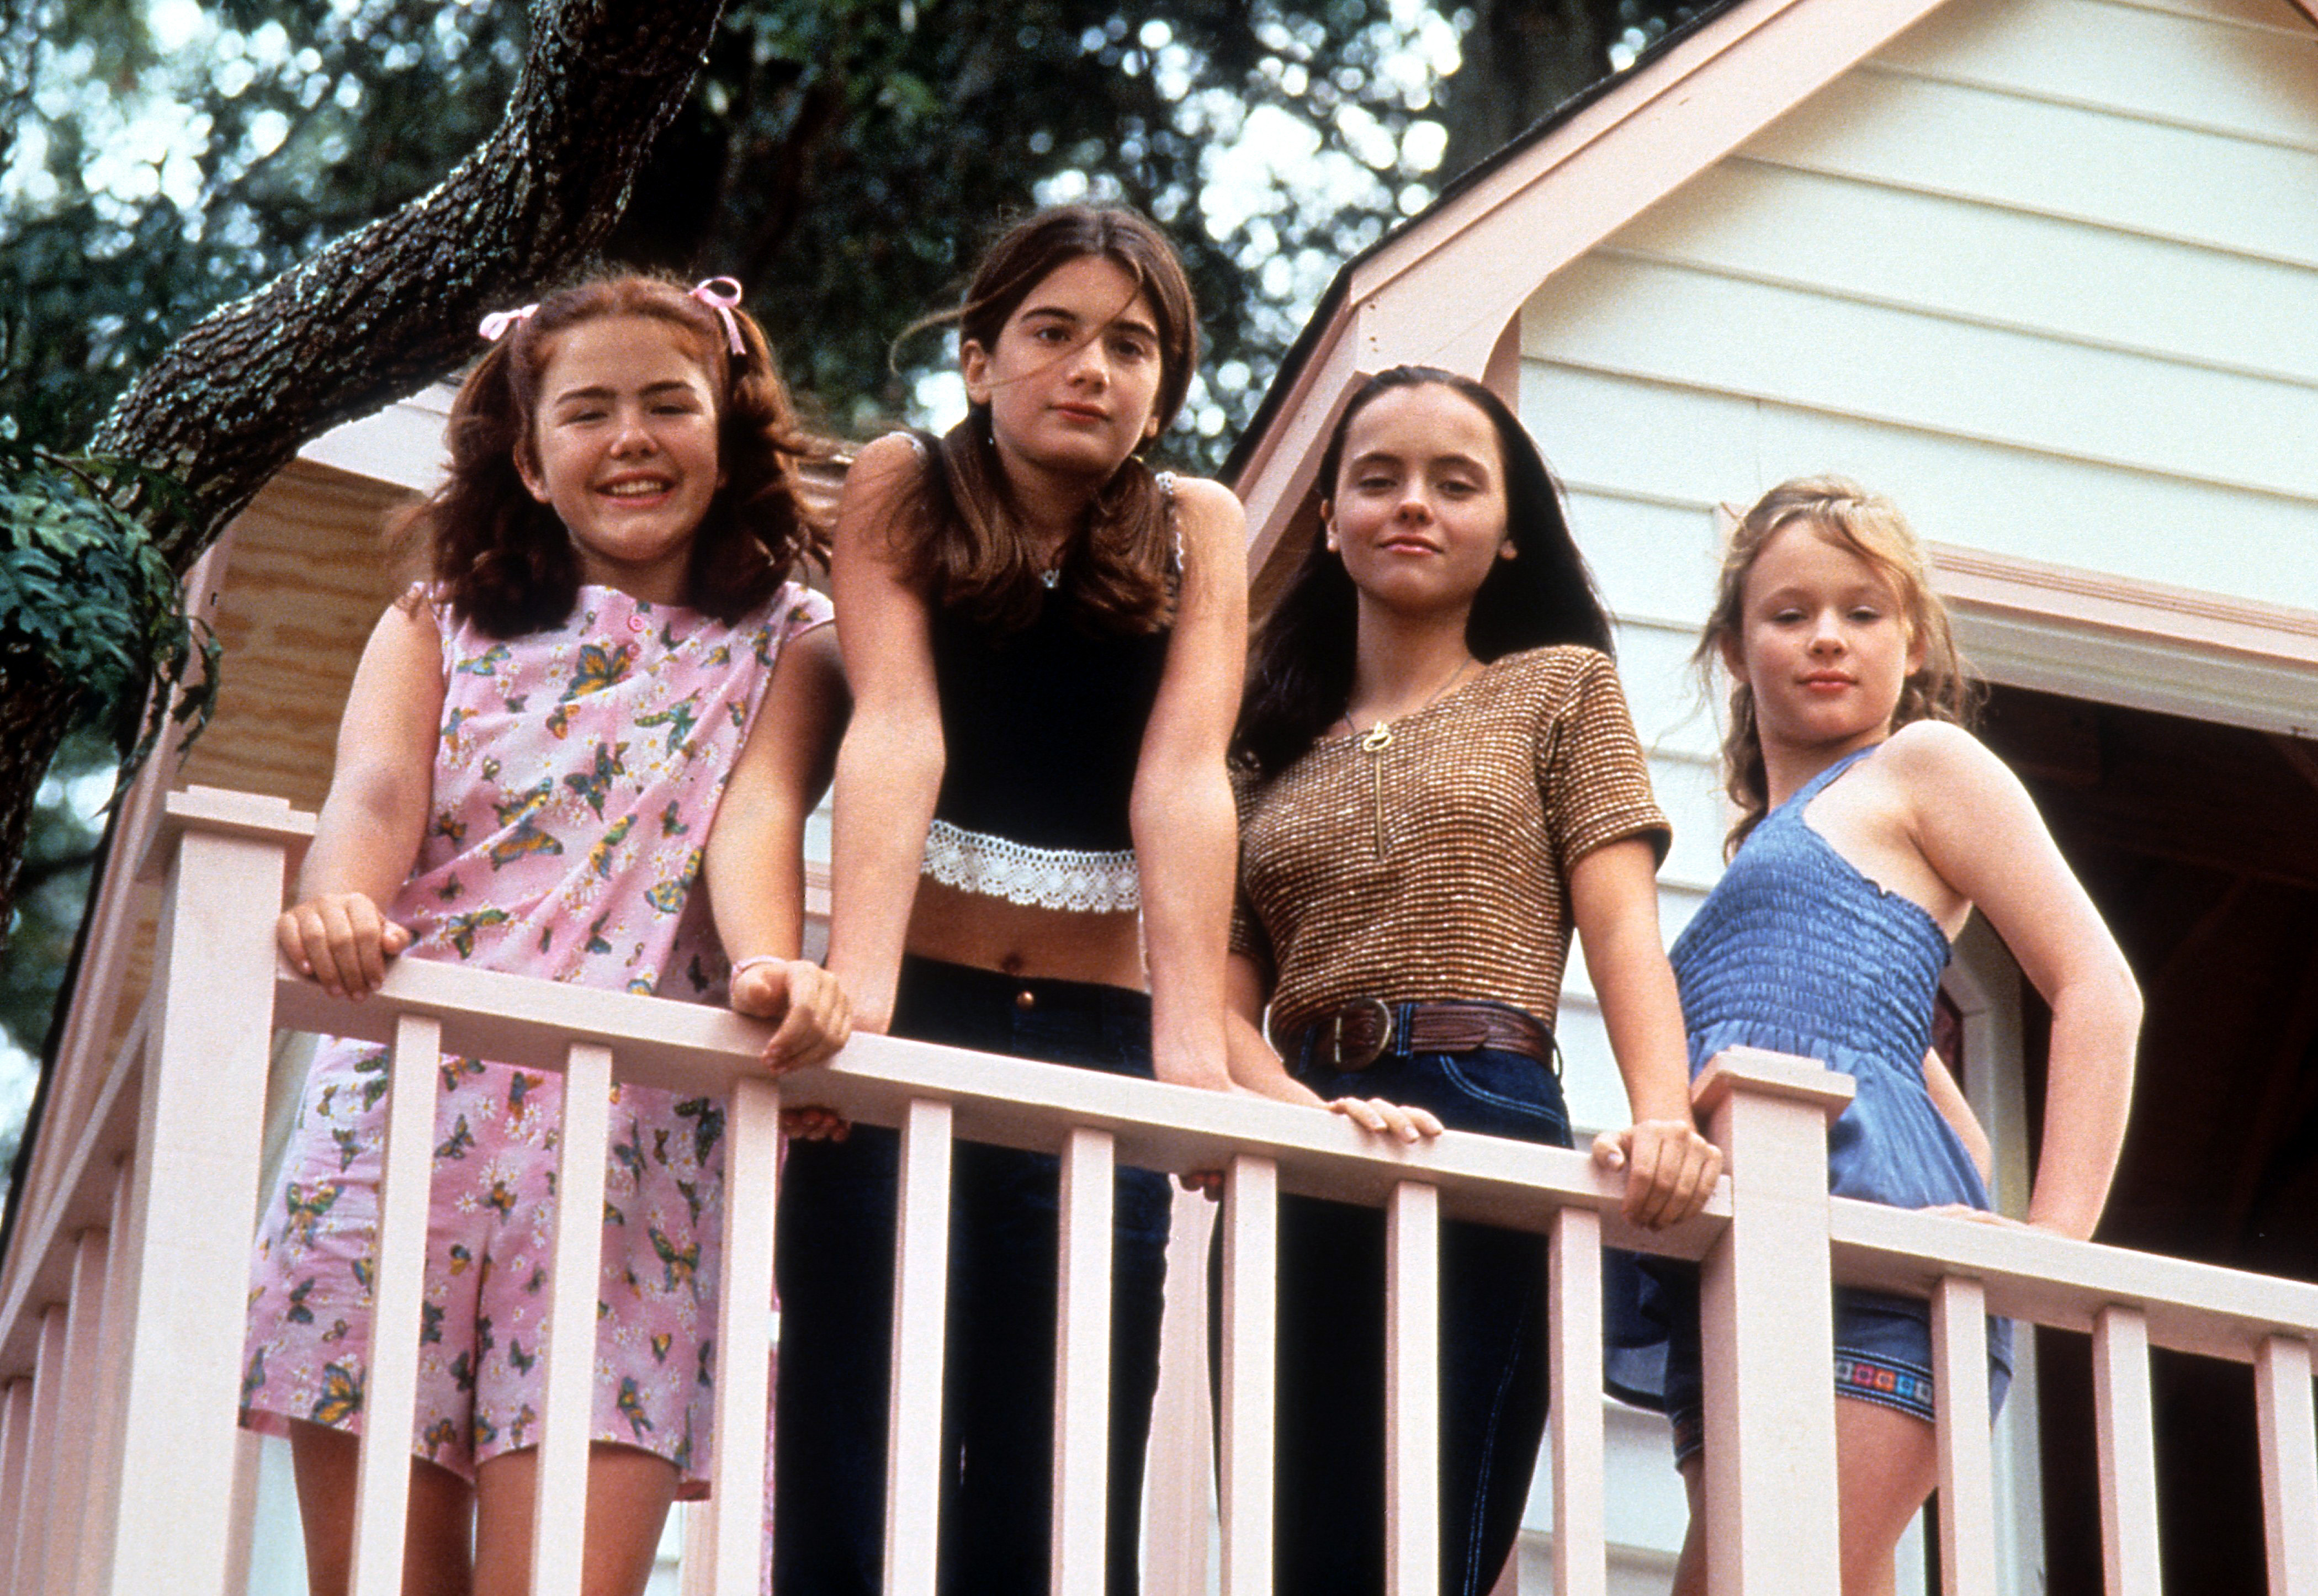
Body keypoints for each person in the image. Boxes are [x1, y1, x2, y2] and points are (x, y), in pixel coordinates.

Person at [241, 272, 851, 1596]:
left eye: (667, 404)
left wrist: (768, 963)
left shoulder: (789, 639)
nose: (628, 437)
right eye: (587, 412)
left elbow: (758, 816)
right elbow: (378, 794)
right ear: (528, 457)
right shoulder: (436, 623)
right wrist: (342, 893)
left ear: (729, 430)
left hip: (632, 1169)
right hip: (400, 1134)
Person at [770, 204, 1245, 1596]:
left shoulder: (1191, 526)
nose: (1090, 367)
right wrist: (855, 1009)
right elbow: (898, 730)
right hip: (921, 1011)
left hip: (1096, 1045)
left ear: (1163, 385)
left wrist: (1190, 1053)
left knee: (1059, 1476)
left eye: (1131, 344)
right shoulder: (905, 482)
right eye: (1053, 332)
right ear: (980, 359)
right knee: (863, 1440)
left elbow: (1182, 781)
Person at [1224, 365, 1723, 1596]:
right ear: (1331, 519)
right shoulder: (1256, 745)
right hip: (1293, 1127)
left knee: (1420, 1547)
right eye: (1377, 479)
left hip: (1480, 1105)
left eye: (1456, 484)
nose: (1413, 506)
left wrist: (1662, 1117)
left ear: (1509, 535)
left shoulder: (1558, 690)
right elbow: (1219, 1008)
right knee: (1290, 1554)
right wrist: (1302, 1111)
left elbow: (1622, 936)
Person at [1655, 475, 2140, 1596]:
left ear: (1911, 641)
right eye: (1790, 613)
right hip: (1736, 1272)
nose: (1828, 637)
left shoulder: (1925, 767)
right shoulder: (1762, 856)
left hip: (1871, 1288)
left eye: (1863, 612)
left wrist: (2049, 1247)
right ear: (1735, 648)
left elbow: (2098, 988)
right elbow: (1922, 1088)